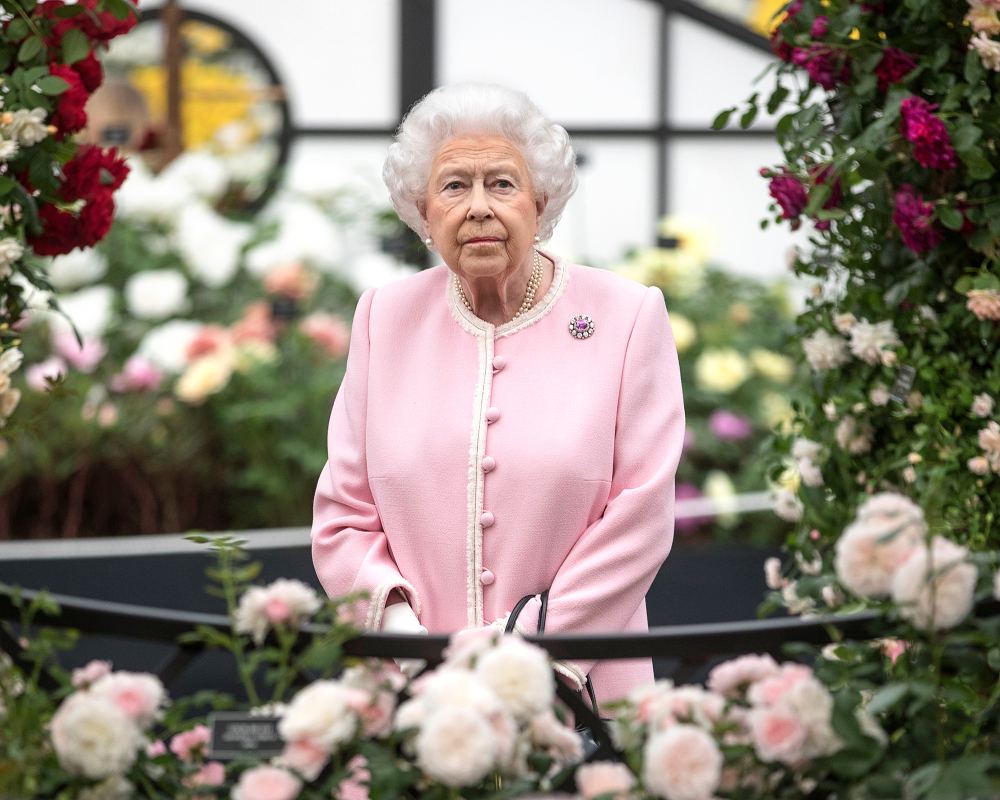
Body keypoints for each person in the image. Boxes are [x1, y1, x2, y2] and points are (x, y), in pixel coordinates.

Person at [311, 84, 685, 706]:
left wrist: (528, 649)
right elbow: (344, 515)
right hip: (411, 699)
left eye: (502, 184)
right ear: (423, 213)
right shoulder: (384, 317)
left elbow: (642, 515)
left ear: (541, 203)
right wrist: (414, 652)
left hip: (579, 693)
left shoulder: (626, 316)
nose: (479, 207)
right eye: (454, 186)